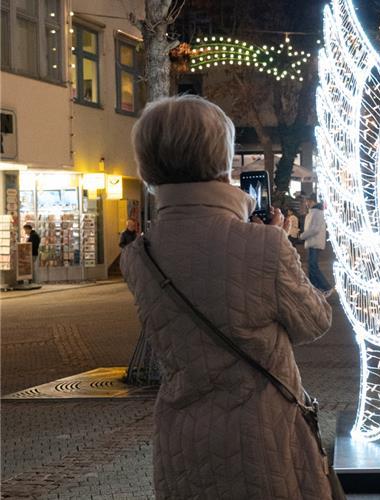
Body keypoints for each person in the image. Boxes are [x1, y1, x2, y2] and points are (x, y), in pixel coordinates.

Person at [121, 95, 334, 499]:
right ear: (221, 157)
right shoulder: (264, 245)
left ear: (147, 163)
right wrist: (277, 245)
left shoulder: (138, 256)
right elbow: (314, 322)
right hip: (264, 441)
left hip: (181, 444)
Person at [299, 195, 333, 296]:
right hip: (312, 242)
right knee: (311, 266)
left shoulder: (317, 212)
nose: (306, 204)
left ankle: (326, 287)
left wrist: (302, 236)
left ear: (313, 201)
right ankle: (315, 289)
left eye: (308, 201)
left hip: (314, 242)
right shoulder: (313, 212)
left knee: (313, 266)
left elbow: (314, 229)